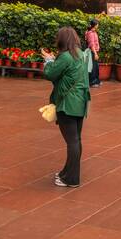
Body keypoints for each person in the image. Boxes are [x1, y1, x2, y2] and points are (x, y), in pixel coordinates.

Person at [41, 26, 91, 188]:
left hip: (67, 103)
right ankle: (67, 173)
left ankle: (71, 179)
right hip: (81, 101)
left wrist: (49, 61)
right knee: (76, 140)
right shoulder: (81, 54)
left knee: (72, 141)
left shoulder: (65, 56)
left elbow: (50, 74)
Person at [85, 18, 102, 87]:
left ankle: (96, 81)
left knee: (96, 67)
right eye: (97, 24)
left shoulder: (94, 32)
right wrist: (95, 53)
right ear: (95, 25)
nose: (98, 25)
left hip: (95, 51)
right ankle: (92, 82)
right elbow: (91, 45)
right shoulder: (90, 33)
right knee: (92, 68)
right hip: (92, 52)